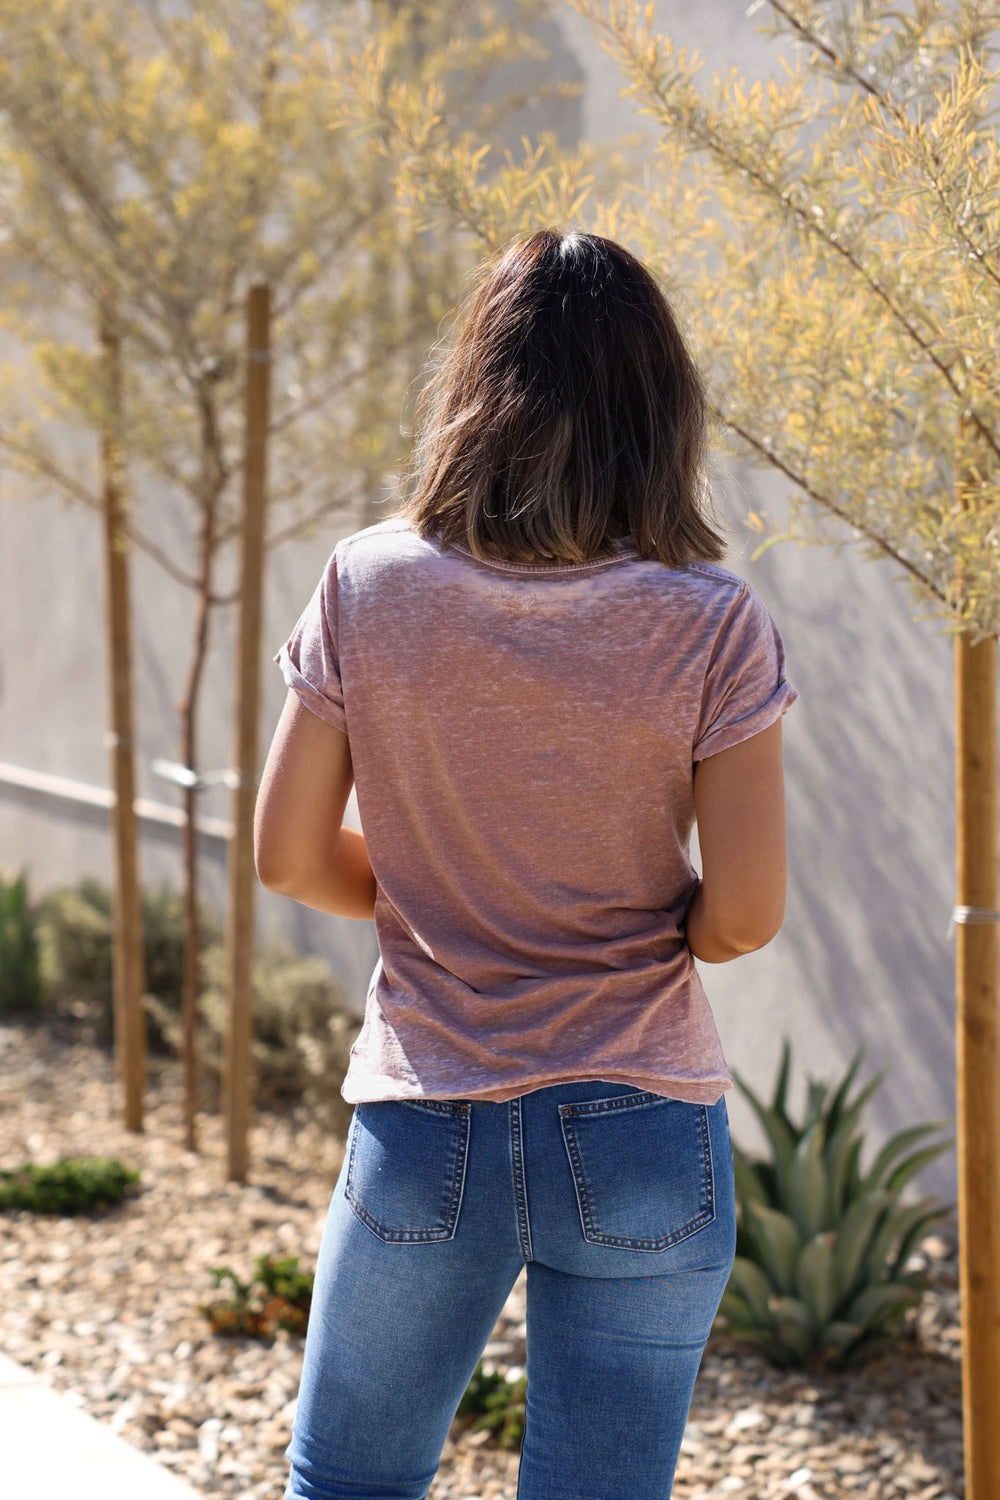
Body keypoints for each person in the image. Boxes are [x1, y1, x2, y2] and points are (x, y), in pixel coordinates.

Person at [255, 227, 798, 1500]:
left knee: (349, 1485)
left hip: (427, 1108)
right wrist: (660, 925)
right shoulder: (711, 621)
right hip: (640, 1122)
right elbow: (744, 915)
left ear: (474, 389)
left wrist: (431, 899)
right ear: (660, 413)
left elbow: (286, 855)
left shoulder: (367, 584)